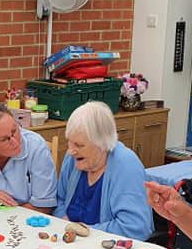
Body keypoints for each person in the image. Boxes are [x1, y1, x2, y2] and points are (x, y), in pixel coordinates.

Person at [54, 101, 153, 239]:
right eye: (69, 142)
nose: (71, 151)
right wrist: (63, 221)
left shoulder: (127, 165)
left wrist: (85, 232)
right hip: (70, 241)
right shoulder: (74, 158)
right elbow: (59, 199)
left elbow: (135, 227)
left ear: (102, 144)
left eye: (79, 145)